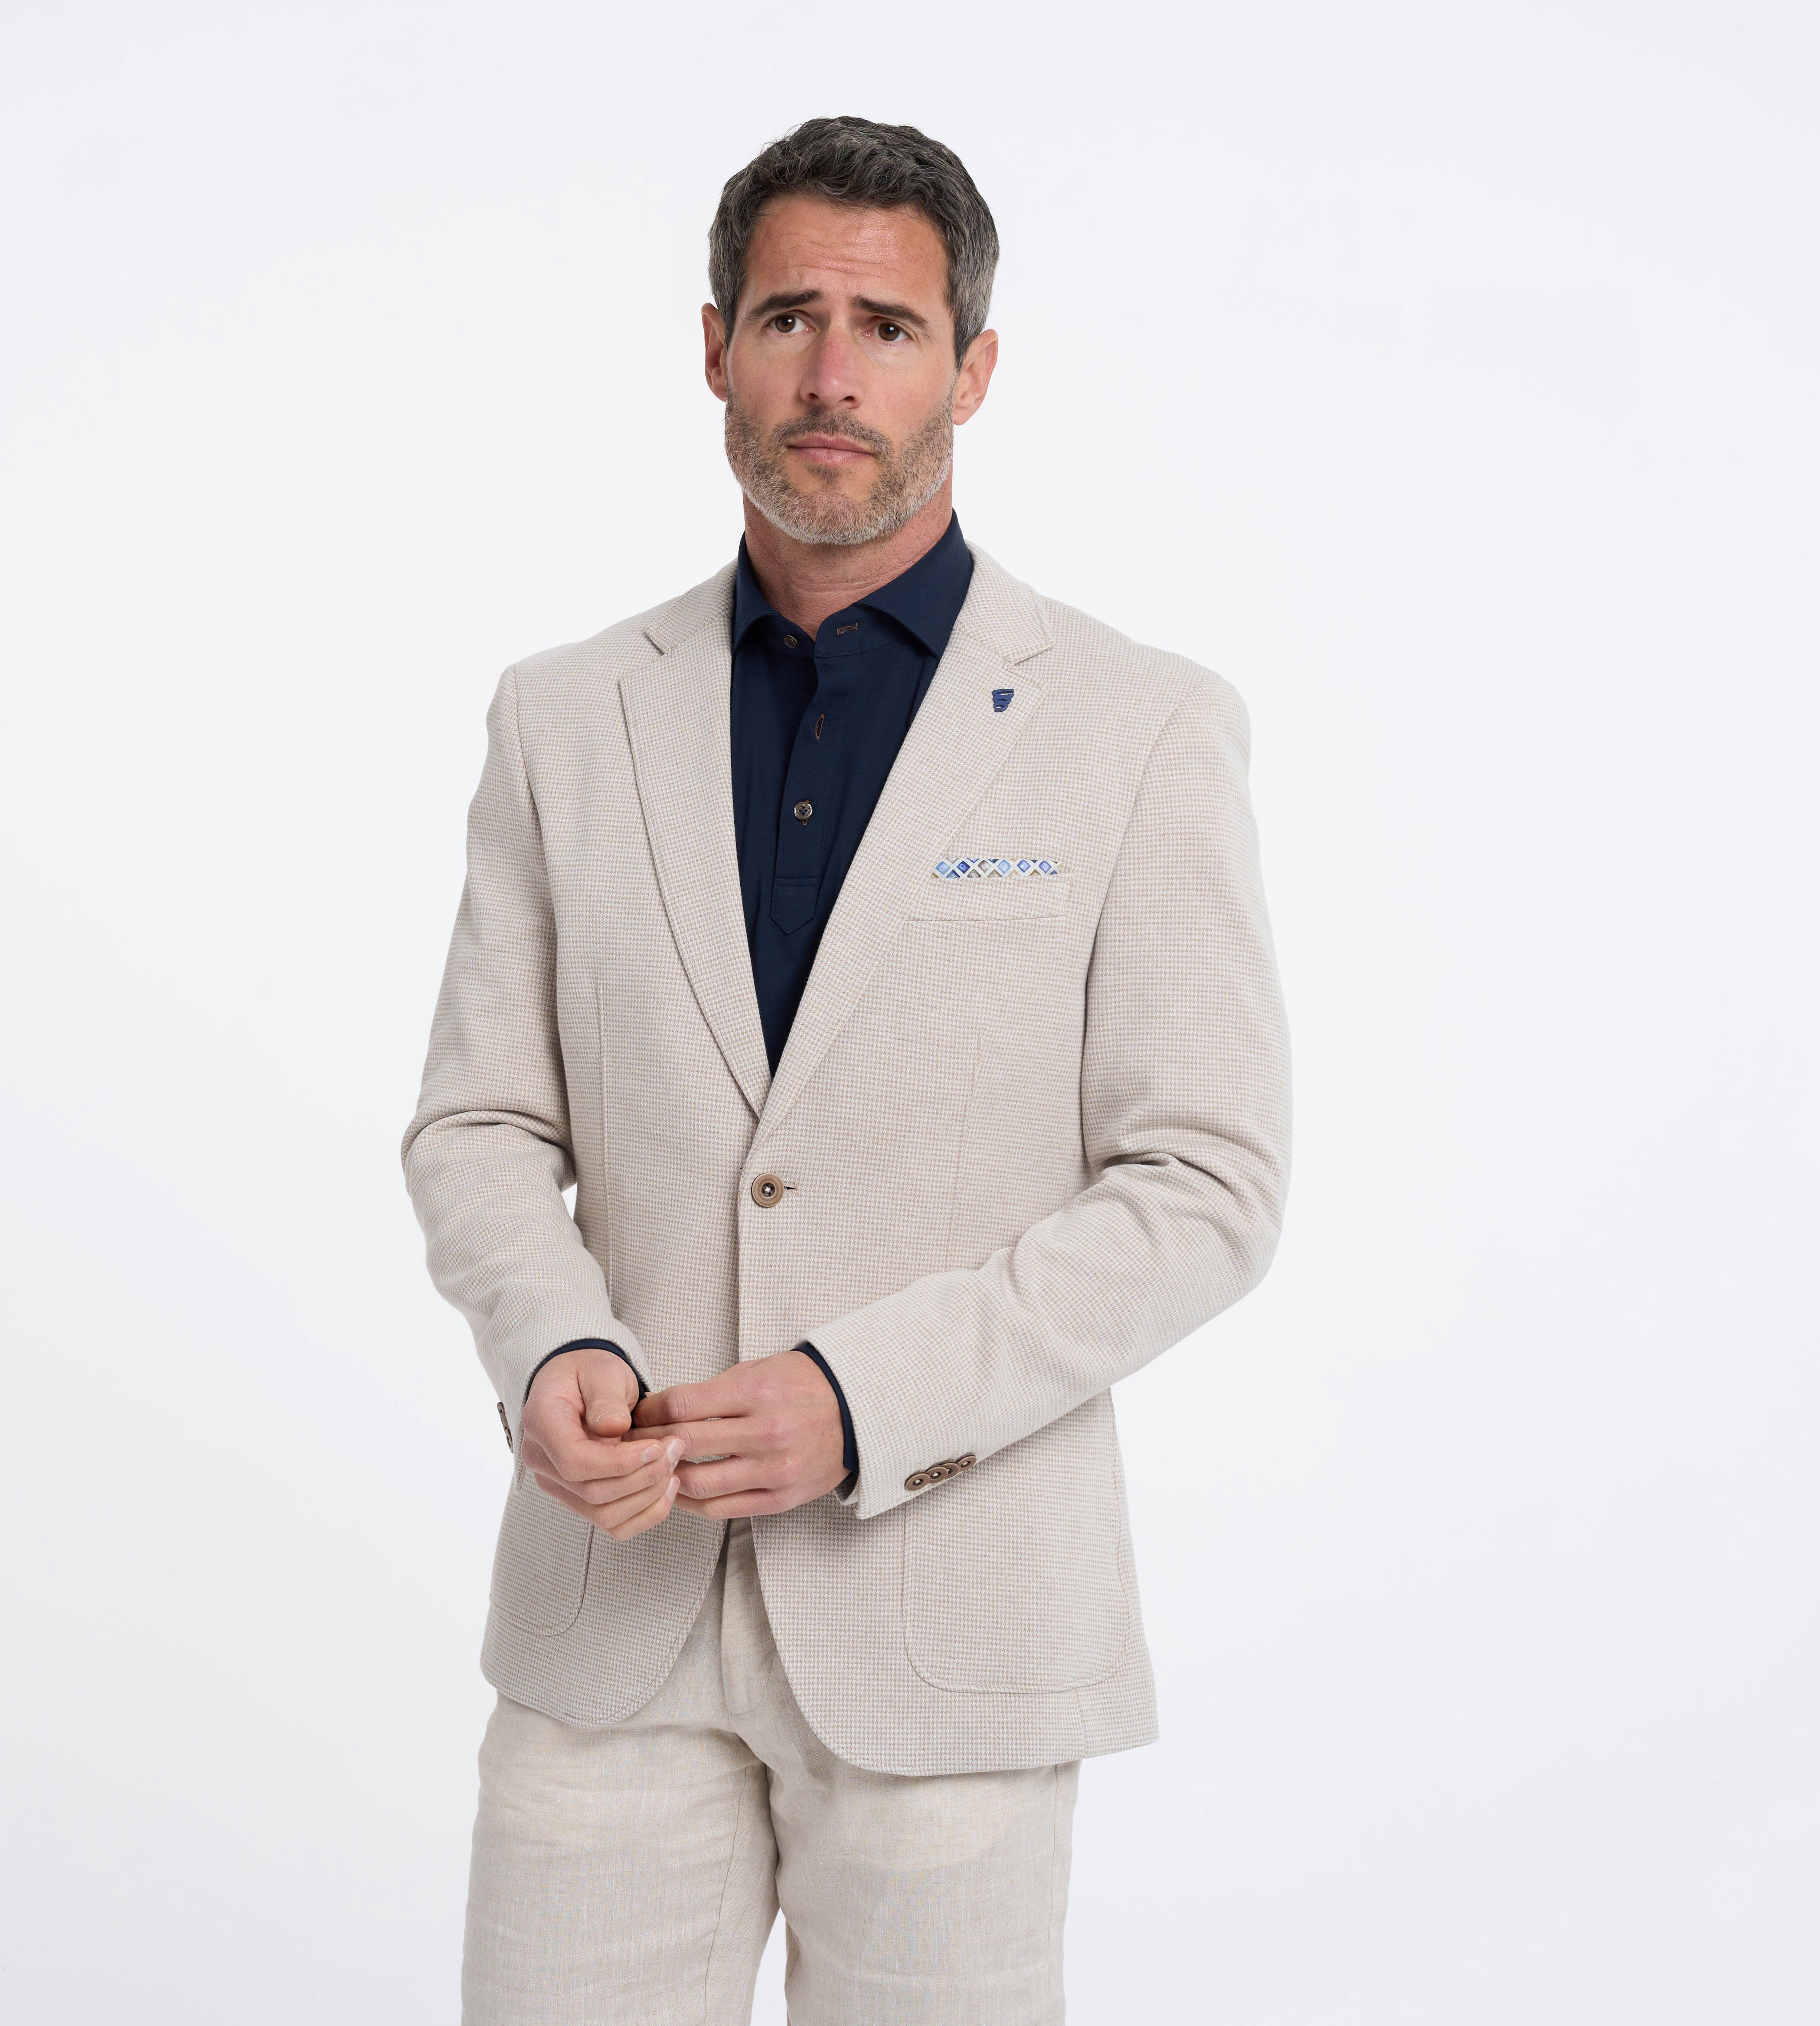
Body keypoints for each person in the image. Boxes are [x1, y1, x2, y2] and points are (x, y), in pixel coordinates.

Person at [402, 113, 1291, 2026]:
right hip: (611, 1614)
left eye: (887, 328)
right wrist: (552, 1344)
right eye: (788, 317)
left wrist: (860, 1400)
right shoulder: (565, 717)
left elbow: (1206, 1183)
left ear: (972, 368)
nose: (831, 374)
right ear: (712, 347)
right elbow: (482, 1120)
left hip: (950, 1619)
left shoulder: (1138, 728)